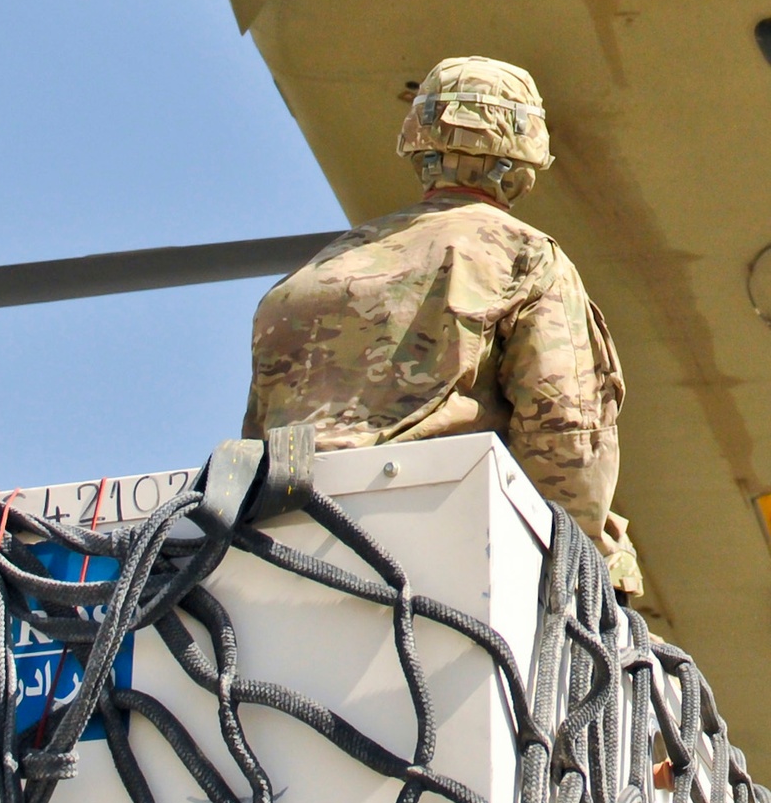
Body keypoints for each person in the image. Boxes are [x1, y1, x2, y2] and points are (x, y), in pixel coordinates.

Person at [242, 56, 642, 595]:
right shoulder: (526, 258)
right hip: (441, 552)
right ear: (524, 157)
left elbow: (259, 441)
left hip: (285, 551)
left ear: (419, 144)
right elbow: (566, 441)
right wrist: (582, 570)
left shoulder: (310, 276)